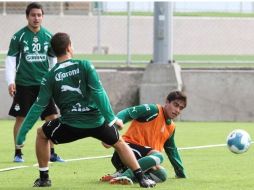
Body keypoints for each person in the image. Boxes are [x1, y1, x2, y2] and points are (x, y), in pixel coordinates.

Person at [16, 32, 156, 188]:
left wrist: (22, 134)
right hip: (97, 122)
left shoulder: (49, 76)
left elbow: (38, 106)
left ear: (54, 51)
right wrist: (111, 118)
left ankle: (44, 178)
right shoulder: (85, 65)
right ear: (69, 47)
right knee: (120, 143)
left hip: (70, 126)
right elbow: (98, 92)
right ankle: (141, 177)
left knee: (41, 134)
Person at [5, 2, 64, 163]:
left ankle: (52, 152)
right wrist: (11, 81)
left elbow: (53, 60)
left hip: (44, 85)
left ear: (42, 17)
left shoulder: (48, 37)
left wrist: (55, 79)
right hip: (24, 84)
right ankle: (18, 152)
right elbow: (10, 60)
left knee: (51, 116)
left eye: (39, 15)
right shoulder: (19, 37)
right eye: (33, 15)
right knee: (21, 118)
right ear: (27, 17)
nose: (36, 18)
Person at [101, 91, 187, 184]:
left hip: (142, 159)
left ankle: (121, 175)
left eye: (181, 108)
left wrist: (180, 173)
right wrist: (111, 133)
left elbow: (171, 150)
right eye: (175, 105)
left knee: (162, 174)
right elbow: (127, 113)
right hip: (126, 151)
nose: (177, 110)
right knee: (158, 156)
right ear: (167, 102)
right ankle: (125, 175)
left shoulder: (171, 127)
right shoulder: (153, 110)